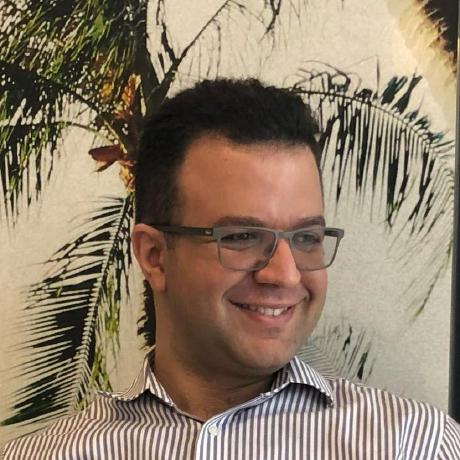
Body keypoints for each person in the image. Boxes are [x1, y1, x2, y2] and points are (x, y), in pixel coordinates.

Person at [1, 78, 459, 459]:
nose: (286, 275)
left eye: (306, 238)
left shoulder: (413, 445)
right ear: (154, 256)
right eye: (241, 237)